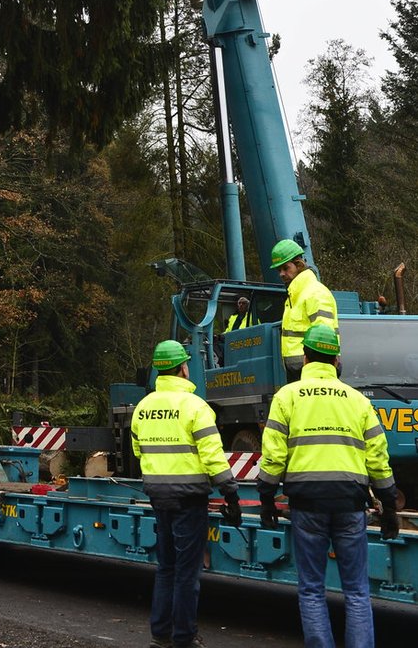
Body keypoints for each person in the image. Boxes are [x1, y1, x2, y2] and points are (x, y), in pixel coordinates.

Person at [257, 323, 397, 648]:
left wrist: (266, 499)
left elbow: (274, 456)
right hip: (350, 502)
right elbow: (377, 457)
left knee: (311, 588)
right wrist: (388, 503)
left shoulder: (287, 396)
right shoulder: (357, 400)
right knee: (357, 590)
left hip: (307, 504)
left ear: (305, 357)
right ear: (337, 361)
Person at [131, 339, 241, 648]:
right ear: (182, 368)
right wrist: (231, 494)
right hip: (190, 499)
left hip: (158, 496)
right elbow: (213, 457)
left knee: (166, 567)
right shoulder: (195, 407)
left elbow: (139, 450)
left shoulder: (143, 408)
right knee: (187, 572)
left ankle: (160, 634)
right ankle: (183, 637)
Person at [270, 239, 339, 378]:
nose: (281, 274)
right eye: (279, 270)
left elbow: (325, 336)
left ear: (299, 265)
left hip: (315, 371)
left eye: (285, 268)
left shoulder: (315, 293)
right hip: (301, 371)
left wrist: (316, 368)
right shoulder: (295, 296)